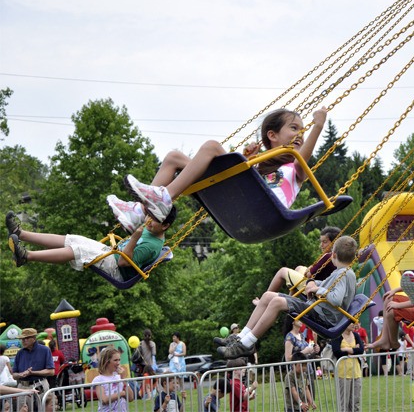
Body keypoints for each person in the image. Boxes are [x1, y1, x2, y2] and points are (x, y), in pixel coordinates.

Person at [107, 107, 328, 229]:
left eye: (303, 130)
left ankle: (164, 198)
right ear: (272, 135)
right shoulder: (262, 163)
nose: (301, 133)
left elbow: (301, 160)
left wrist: (317, 126)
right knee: (173, 157)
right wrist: (246, 158)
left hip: (262, 210)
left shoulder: (295, 171)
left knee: (212, 147)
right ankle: (138, 211)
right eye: (294, 128)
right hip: (240, 200)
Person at [217, 236, 357, 360]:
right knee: (267, 296)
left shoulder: (344, 274)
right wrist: (312, 283)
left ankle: (247, 344)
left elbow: (336, 299)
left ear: (333, 255)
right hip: (318, 309)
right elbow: (329, 288)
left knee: (277, 302)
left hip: (322, 316)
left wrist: (316, 289)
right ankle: (241, 337)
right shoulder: (342, 272)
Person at [6, 208, 177, 285]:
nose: (149, 220)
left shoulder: (151, 246)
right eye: (150, 214)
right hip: (112, 253)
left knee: (78, 251)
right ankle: (21, 233)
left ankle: (26, 256)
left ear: (165, 226)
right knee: (74, 239)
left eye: (154, 218)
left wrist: (134, 238)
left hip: (117, 268)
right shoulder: (151, 229)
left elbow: (124, 263)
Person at [256, 226, 341, 302]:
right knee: (299, 268)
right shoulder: (339, 257)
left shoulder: (328, 256)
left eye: (325, 242)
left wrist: (310, 268)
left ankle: (264, 299)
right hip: (320, 284)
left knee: (282, 271)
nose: (321, 245)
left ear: (334, 242)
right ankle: (291, 298)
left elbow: (309, 274)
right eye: (321, 242)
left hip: (314, 287)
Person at [12, 328, 54, 411]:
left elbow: (51, 371)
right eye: (22, 339)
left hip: (39, 385)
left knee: (41, 409)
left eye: (26, 338)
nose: (23, 341)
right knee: (22, 410)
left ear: (34, 338)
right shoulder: (20, 353)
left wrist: (32, 372)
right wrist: (20, 375)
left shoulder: (45, 350)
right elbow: (14, 375)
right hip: (22, 386)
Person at [332, 322, 364, 412]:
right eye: (352, 322)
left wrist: (346, 349)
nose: (354, 324)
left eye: (355, 322)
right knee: (344, 404)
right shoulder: (337, 336)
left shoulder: (356, 335)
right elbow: (337, 352)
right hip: (343, 373)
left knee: (356, 403)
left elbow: (361, 350)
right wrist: (354, 350)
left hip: (356, 372)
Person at [92, 346, 134, 412]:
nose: (118, 363)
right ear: (106, 362)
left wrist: (123, 379)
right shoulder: (98, 380)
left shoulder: (119, 377)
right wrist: (121, 394)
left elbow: (131, 398)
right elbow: (104, 400)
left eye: (119, 360)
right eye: (115, 360)